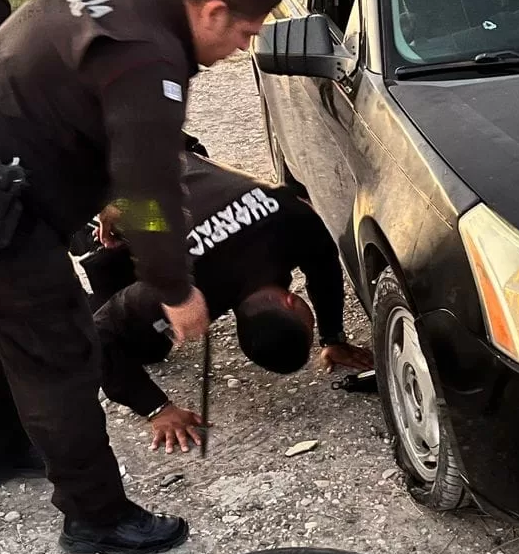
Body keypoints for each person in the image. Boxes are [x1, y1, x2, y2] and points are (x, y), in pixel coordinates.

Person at [0, 0, 282, 554]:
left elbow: (55, 87)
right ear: (213, 10)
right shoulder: (147, 58)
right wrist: (175, 288)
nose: (241, 48)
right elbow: (150, 189)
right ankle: (94, 515)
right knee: (58, 352)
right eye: (245, 33)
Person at [76, 151, 374, 452]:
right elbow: (99, 335)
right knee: (143, 344)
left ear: (288, 302)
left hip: (175, 174)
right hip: (111, 170)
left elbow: (324, 263)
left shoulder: (295, 220)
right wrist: (158, 409)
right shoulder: (188, 286)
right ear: (287, 300)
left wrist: (332, 337)